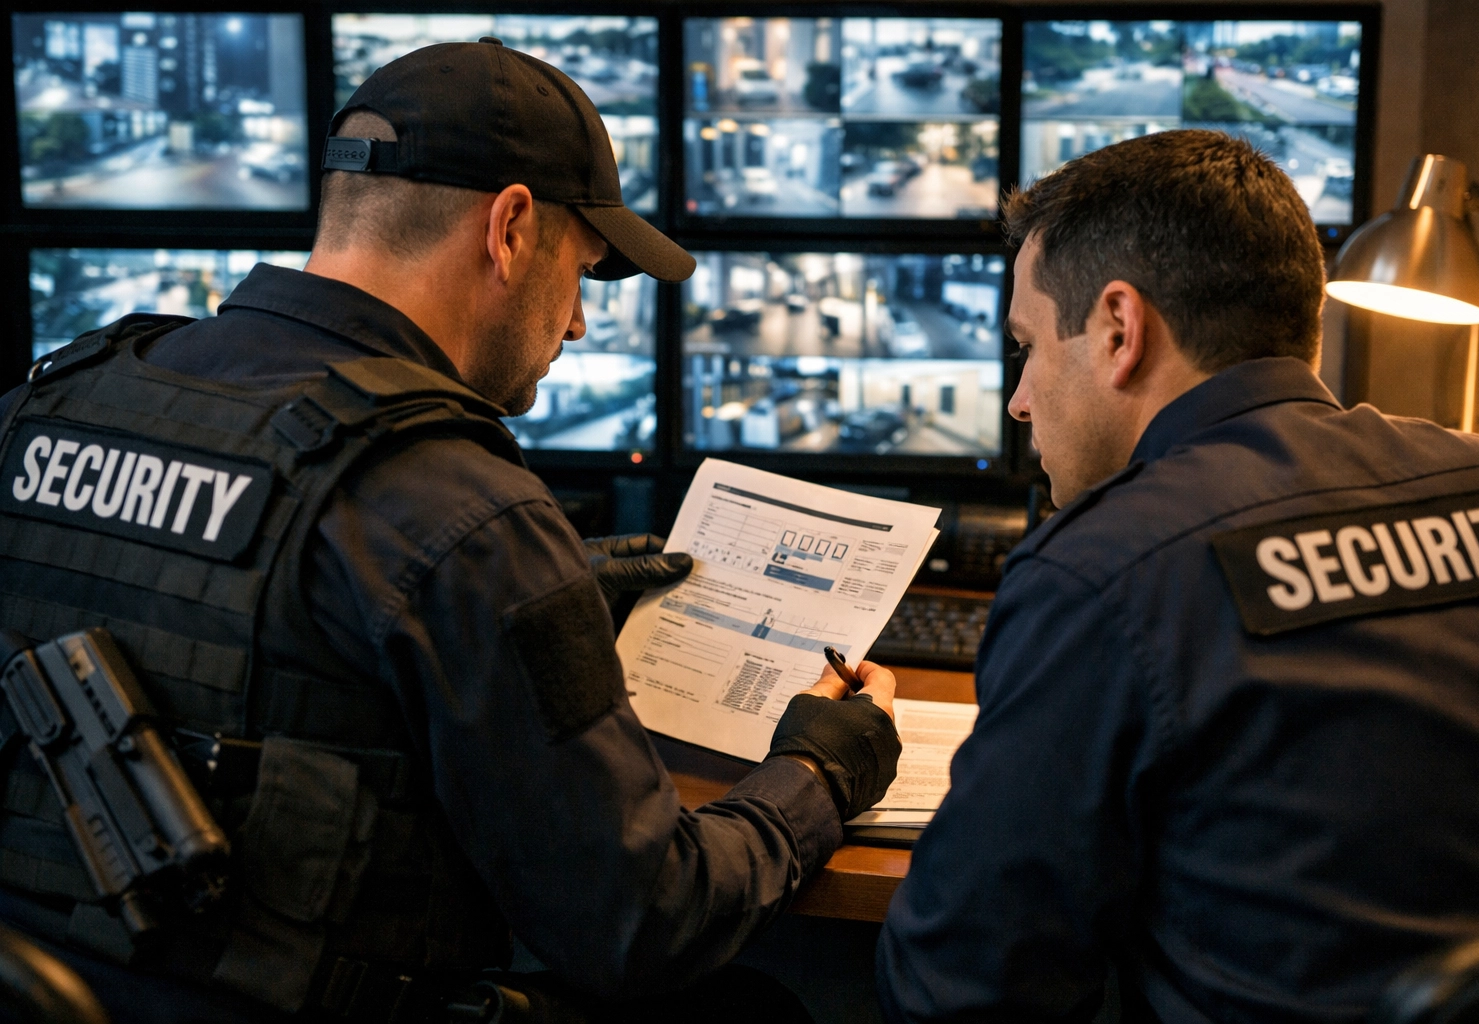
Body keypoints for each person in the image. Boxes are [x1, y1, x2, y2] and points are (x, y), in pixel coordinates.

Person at [0, 39, 899, 1023]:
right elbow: (647, 919)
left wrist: (527, 600)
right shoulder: (457, 505)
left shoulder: (51, 402)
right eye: (585, 275)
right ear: (510, 228)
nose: (577, 329)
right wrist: (821, 767)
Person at [875, 129, 1479, 1022]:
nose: (1019, 398)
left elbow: (966, 988)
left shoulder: (1100, 570)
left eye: (1025, 347)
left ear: (1119, 328)